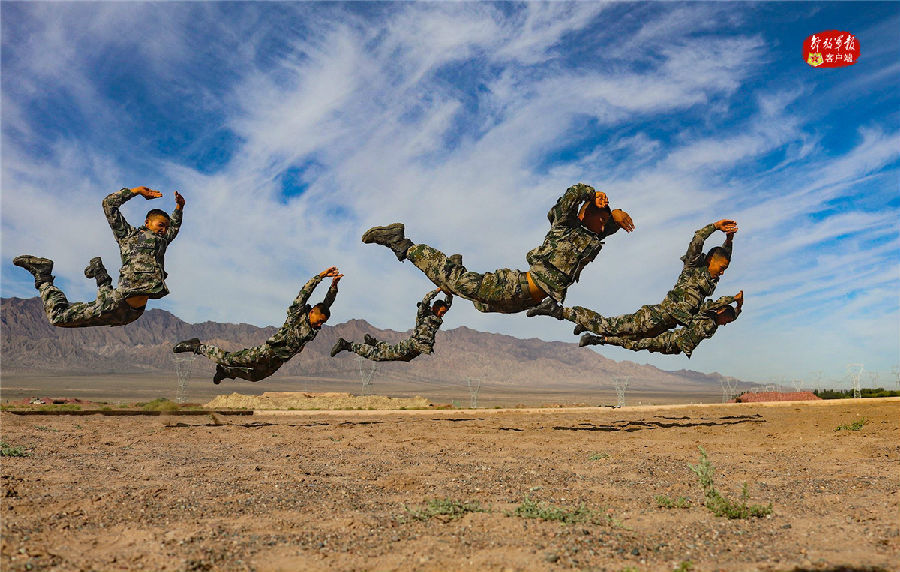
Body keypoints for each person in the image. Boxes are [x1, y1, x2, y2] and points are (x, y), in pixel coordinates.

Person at [361, 183, 633, 314]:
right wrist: (591, 193)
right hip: (517, 286)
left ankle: (453, 271)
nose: (604, 223)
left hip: (527, 300)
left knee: (477, 302)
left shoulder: (591, 238)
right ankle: (402, 243)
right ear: (589, 214)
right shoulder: (566, 225)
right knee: (461, 284)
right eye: (601, 217)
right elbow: (571, 196)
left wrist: (616, 218)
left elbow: (606, 225)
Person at [528, 219, 737, 337]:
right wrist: (715, 227)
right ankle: (558, 310)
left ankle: (589, 323)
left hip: (665, 324)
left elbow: (724, 255)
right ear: (710, 259)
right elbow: (698, 239)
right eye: (721, 267)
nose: (723, 272)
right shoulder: (694, 265)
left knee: (620, 335)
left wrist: (729, 239)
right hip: (657, 316)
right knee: (610, 327)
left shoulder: (711, 278)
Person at [13, 186, 184, 328]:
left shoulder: (162, 242)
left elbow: (174, 228)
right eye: (160, 225)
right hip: (117, 303)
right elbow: (109, 204)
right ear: (147, 222)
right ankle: (43, 277)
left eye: (165, 227)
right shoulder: (129, 235)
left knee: (98, 311)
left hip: (130, 314)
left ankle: (99, 272)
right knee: (59, 318)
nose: (163, 230)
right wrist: (136, 191)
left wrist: (179, 208)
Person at [173, 267, 342, 384]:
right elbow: (305, 293)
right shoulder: (297, 314)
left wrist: (333, 287)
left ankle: (226, 372)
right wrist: (320, 277)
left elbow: (327, 304)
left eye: (323, 322)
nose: (320, 324)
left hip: (279, 359)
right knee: (229, 359)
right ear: (312, 312)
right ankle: (197, 346)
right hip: (268, 351)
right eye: (319, 320)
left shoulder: (314, 326)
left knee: (255, 377)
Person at [580, 291, 743, 358]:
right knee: (634, 343)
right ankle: (595, 337)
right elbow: (718, 304)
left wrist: (739, 307)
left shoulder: (716, 323)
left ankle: (595, 333)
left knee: (634, 342)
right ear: (722, 313)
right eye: (726, 320)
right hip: (669, 339)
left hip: (675, 348)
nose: (726, 324)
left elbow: (734, 315)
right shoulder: (707, 313)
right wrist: (733, 299)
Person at [330, 288, 453, 362]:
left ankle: (374, 342)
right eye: (441, 312)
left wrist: (449, 293)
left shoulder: (437, 319)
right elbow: (426, 300)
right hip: (411, 346)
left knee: (398, 355)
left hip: (414, 352)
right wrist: (437, 290)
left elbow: (447, 304)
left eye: (444, 313)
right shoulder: (424, 314)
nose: (442, 315)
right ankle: (347, 345)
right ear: (434, 308)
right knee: (378, 356)